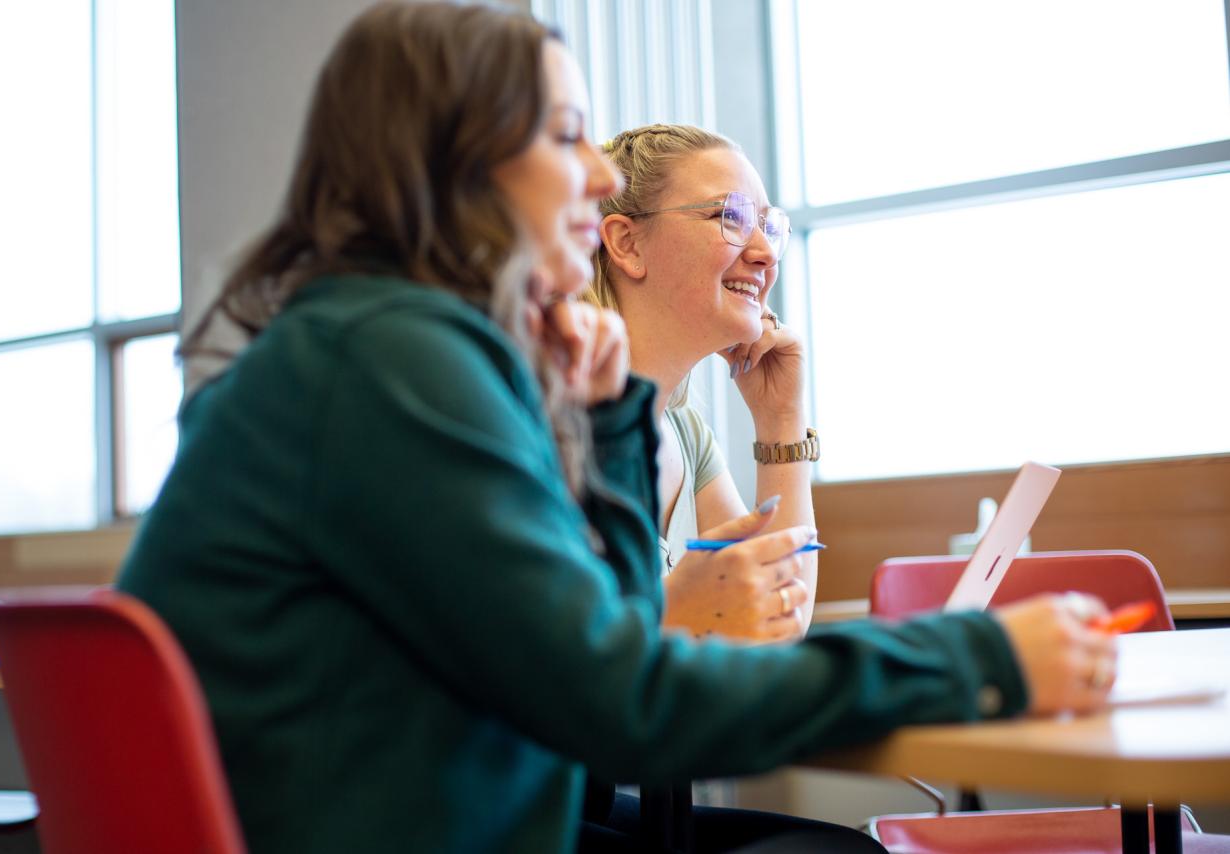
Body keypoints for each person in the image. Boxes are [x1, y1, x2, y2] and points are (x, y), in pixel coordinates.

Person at [116, 4, 1118, 853]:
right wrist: (975, 659)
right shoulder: (395, 360)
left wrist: (606, 433)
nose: (598, 178)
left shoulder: (378, 342)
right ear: (453, 166)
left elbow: (612, 642)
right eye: (563, 136)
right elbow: (627, 701)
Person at [588, 124, 814, 646]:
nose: (765, 254)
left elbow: (781, 620)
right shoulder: (553, 426)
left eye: (766, 225)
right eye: (728, 217)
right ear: (626, 243)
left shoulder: (685, 432)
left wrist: (780, 421)